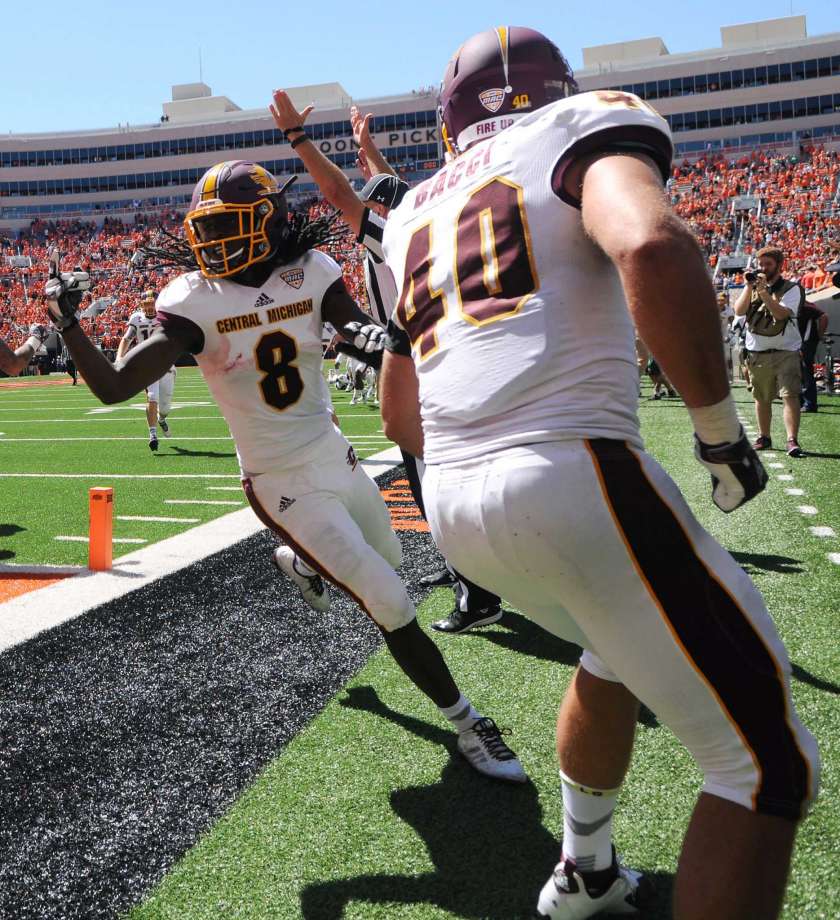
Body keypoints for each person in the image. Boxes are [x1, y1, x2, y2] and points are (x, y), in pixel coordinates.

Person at [377, 27, 818, 920]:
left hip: (457, 507)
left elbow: (398, 417)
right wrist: (719, 433)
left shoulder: (408, 212)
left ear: (451, 119)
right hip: (569, 471)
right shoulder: (580, 123)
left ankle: (584, 870)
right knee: (766, 767)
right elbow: (651, 244)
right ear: (555, 88)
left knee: (608, 648)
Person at [46, 159, 525, 786]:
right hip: (279, 480)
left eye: (230, 225)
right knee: (389, 598)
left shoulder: (311, 272)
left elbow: (350, 325)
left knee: (391, 563)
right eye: (209, 229)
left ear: (268, 221)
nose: (216, 242)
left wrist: (381, 339)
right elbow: (112, 387)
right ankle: (468, 723)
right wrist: (69, 325)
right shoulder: (195, 302)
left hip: (332, 452)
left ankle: (301, 563)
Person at [270, 94, 505, 634]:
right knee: (434, 473)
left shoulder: (391, 240)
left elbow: (337, 194)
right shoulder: (429, 230)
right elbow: (393, 192)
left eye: (376, 202)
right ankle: (469, 573)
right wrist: (369, 150)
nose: (371, 207)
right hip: (438, 354)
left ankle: (479, 591)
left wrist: (297, 140)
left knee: (431, 481)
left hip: (418, 362)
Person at [732, 248, 806, 458]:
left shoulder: (792, 288)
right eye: (761, 264)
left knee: (789, 395)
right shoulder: (753, 287)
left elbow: (781, 314)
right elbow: (739, 310)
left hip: (786, 351)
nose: (763, 268)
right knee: (762, 397)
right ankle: (764, 436)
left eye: (768, 264)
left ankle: (792, 439)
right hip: (757, 350)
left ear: (779, 266)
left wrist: (764, 292)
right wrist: (749, 286)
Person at [116, 289, 177, 450]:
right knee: (152, 397)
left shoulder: (166, 316)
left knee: (164, 408)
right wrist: (118, 359)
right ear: (142, 305)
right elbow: (127, 338)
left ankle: (162, 419)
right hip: (148, 365)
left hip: (166, 364)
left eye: (152, 304)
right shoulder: (137, 318)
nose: (150, 308)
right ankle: (152, 434)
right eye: (147, 304)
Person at [797, 299, 829, 412]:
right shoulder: (794, 302)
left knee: (806, 371)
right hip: (798, 342)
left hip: (805, 342)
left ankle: (809, 403)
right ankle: (801, 401)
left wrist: (819, 335)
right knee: (798, 371)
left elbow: (824, 316)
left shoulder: (806, 306)